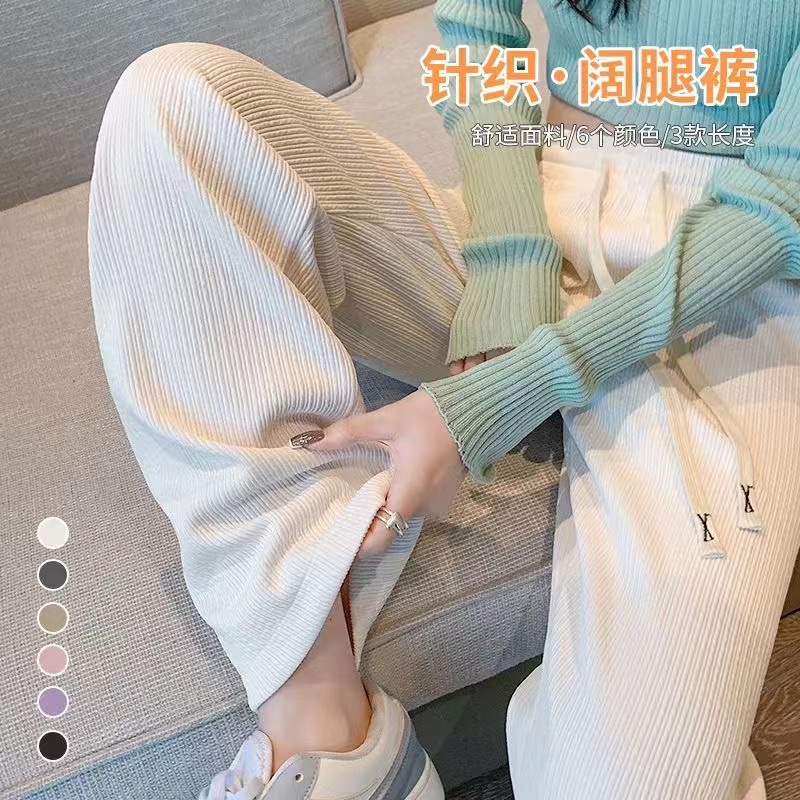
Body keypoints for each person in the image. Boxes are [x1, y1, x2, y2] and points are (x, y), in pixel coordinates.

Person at [87, 0, 800, 797]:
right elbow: (479, 31)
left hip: (736, 284)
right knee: (172, 103)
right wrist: (511, 260)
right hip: (544, 194)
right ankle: (335, 738)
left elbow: (785, 198)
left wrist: (499, 395)